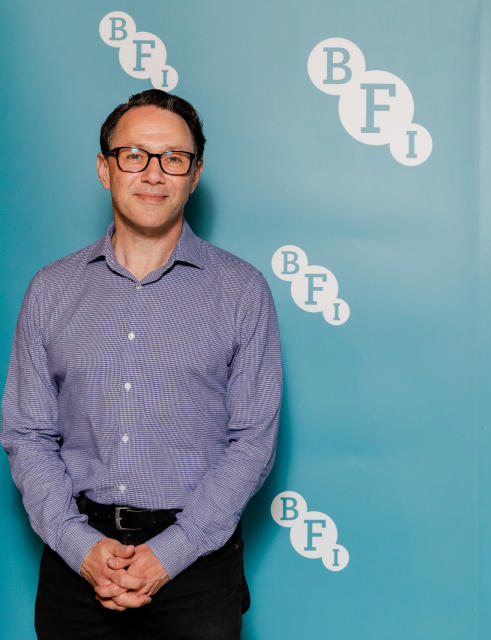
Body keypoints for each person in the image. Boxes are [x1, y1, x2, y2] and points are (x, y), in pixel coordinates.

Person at [1, 89, 282, 639]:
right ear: (105, 169)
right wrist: (78, 545)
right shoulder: (52, 289)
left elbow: (252, 441)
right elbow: (27, 432)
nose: (153, 174)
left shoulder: (242, 290)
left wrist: (170, 553)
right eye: (134, 155)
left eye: (173, 158)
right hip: (78, 561)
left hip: (197, 564)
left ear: (194, 175)